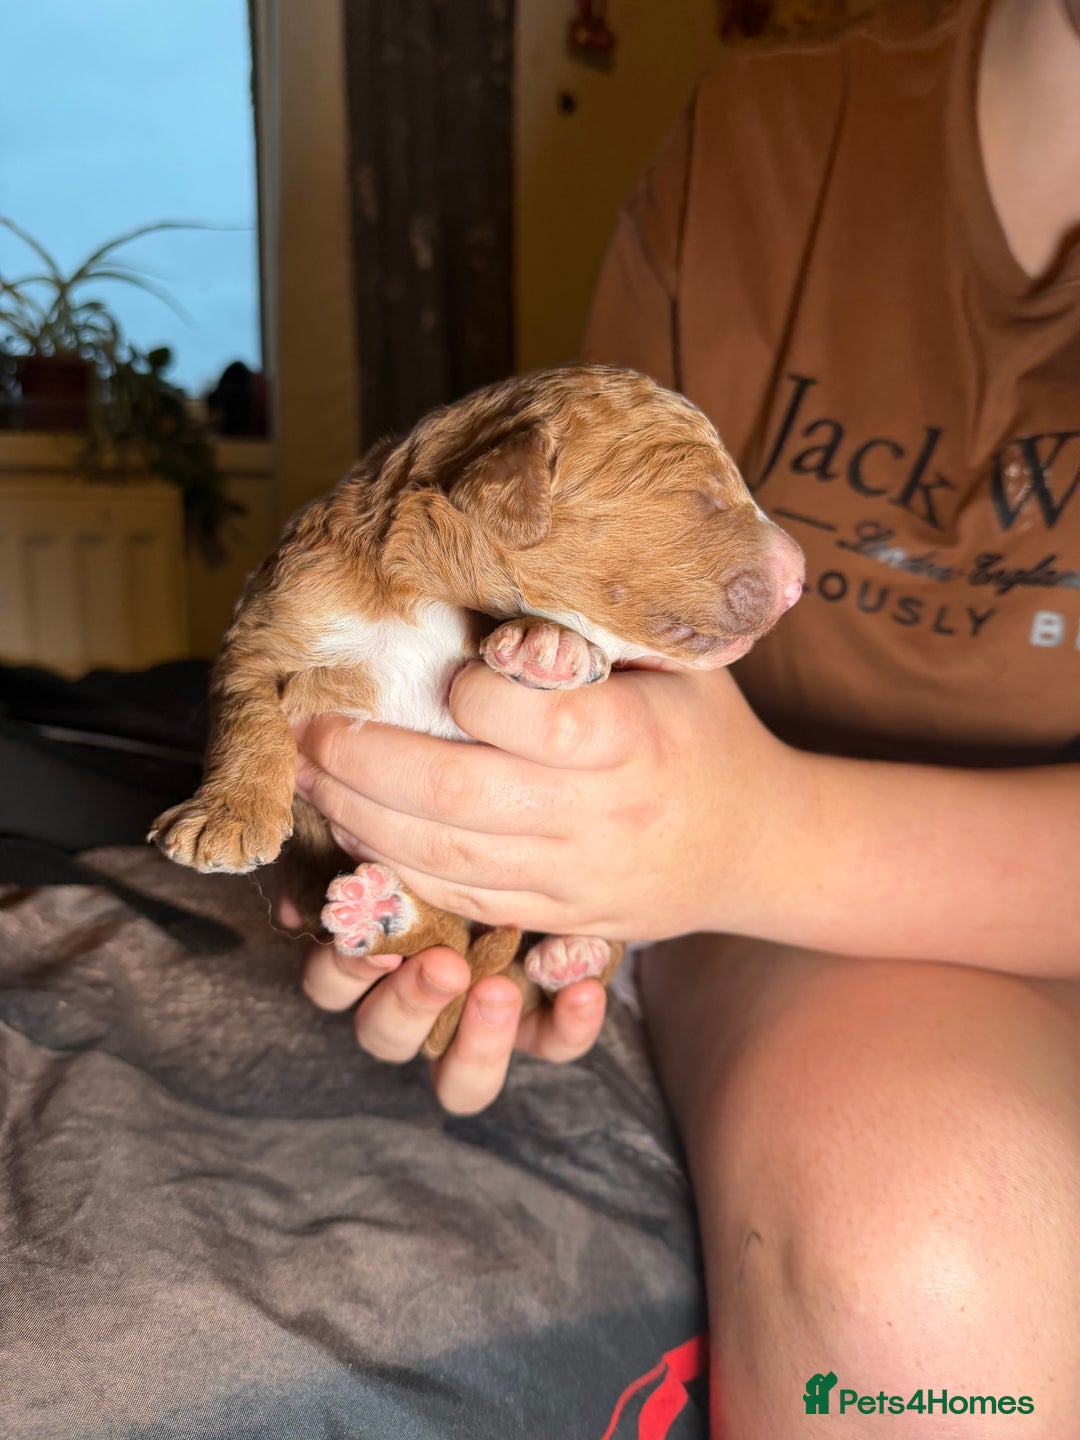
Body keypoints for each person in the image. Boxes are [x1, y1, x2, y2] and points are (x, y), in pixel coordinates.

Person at [290, 0, 1080, 1433]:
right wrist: (451, 818)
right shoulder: (755, 140)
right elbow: (566, 600)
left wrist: (760, 834)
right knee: (922, 1235)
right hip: (769, 948)